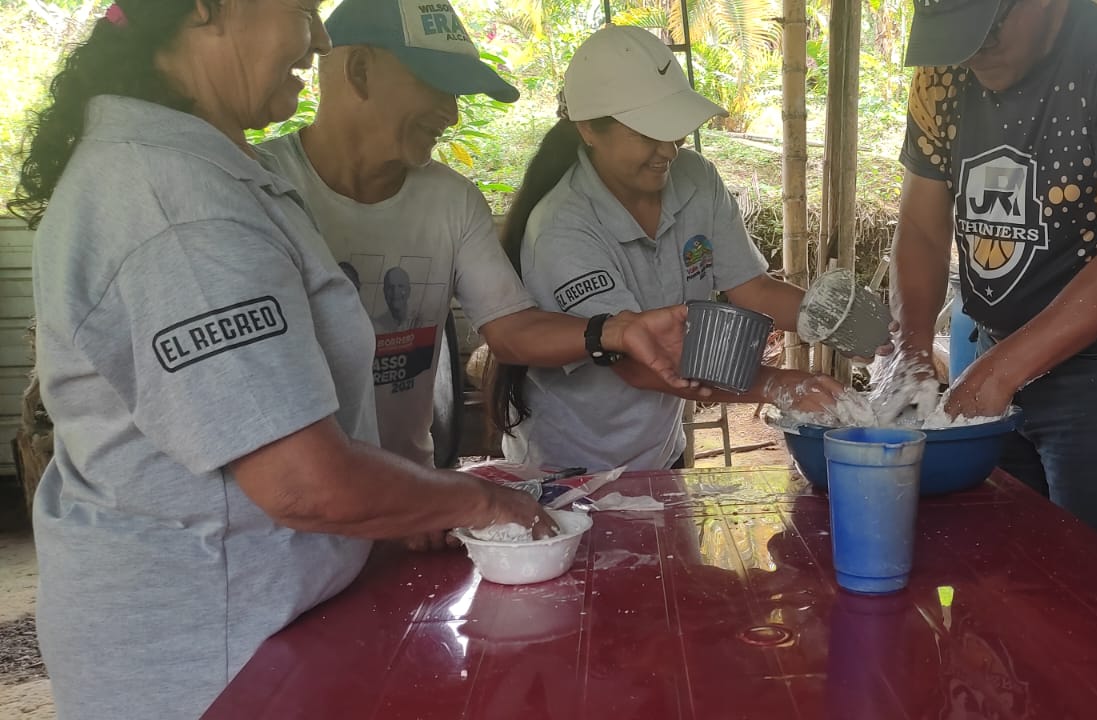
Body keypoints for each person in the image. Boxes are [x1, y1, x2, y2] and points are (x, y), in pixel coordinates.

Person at [8, 1, 577, 716]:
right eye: (303, 10)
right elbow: (303, 483)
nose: (318, 38)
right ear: (206, 10)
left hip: (262, 626)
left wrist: (403, 507)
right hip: (208, 659)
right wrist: (482, 500)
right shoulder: (175, 203)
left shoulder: (201, 172)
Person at [256, 0, 697, 471]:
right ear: (360, 71)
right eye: (438, 85)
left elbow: (510, 331)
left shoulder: (451, 200)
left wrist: (614, 330)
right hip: (294, 501)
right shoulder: (258, 190)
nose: (451, 114)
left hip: (411, 489)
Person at [889, 0, 1097, 566]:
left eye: (987, 28)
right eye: (956, 37)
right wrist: (910, 352)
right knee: (999, 571)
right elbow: (922, 231)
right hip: (991, 346)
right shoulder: (944, 69)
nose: (973, 52)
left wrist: (995, 374)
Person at [492, 25, 844, 471]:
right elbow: (639, 364)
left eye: (674, 131)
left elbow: (753, 289)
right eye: (647, 134)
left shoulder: (695, 180)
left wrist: (840, 324)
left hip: (660, 449)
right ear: (589, 129)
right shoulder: (562, 227)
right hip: (571, 465)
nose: (668, 151)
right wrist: (778, 384)